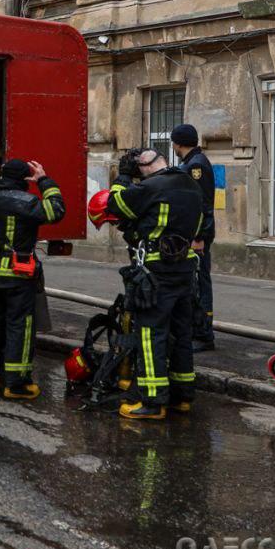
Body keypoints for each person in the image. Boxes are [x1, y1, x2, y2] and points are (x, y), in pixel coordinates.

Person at [105, 148, 202, 420]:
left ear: (144, 167)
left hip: (157, 273)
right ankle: (183, 396)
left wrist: (123, 176)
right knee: (181, 333)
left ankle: (152, 401)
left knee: (151, 334)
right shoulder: (190, 185)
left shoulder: (152, 186)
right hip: (185, 269)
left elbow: (115, 204)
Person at [0, 158, 65, 400]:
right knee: (19, 327)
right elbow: (56, 210)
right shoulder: (25, 200)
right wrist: (44, 180)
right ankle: (16, 383)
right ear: (24, 179)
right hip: (17, 273)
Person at [170, 124, 215, 352]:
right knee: (193, 283)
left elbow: (202, 204)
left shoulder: (196, 165)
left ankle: (204, 333)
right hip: (191, 233)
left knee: (200, 283)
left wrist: (199, 236)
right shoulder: (191, 163)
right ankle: (196, 329)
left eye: (174, 143)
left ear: (178, 143)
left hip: (197, 235)